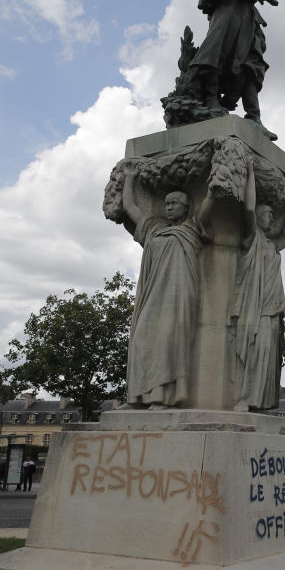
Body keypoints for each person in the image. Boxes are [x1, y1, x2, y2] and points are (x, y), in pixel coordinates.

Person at [122, 166, 213, 408]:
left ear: (187, 207)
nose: (169, 206)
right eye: (167, 203)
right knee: (141, 340)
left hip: (180, 294)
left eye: (175, 203)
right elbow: (131, 207)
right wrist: (130, 177)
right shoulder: (154, 228)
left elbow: (211, 202)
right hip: (152, 295)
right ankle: (137, 397)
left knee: (168, 343)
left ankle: (163, 398)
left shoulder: (193, 228)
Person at [183, 0, 279, 140]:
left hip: (246, 17)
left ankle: (254, 116)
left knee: (251, 63)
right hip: (227, 13)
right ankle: (210, 99)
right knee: (217, 53)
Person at [230, 163, 285, 410]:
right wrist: (250, 175)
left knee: (268, 358)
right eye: (268, 215)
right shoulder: (252, 237)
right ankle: (245, 399)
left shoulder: (271, 245)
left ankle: (261, 402)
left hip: (272, 307)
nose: (271, 219)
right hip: (255, 306)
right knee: (254, 353)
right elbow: (248, 209)